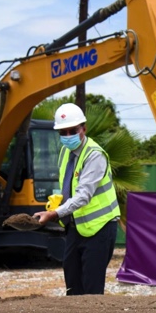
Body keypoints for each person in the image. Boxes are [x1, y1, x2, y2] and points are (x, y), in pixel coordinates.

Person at [34, 103, 119, 295]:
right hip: (76, 226)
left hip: (100, 227)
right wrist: (56, 207)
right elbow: (69, 185)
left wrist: (55, 213)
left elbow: (83, 196)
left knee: (91, 289)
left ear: (84, 129)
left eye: (72, 131)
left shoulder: (94, 155)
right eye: (62, 132)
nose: (67, 136)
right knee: (72, 285)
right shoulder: (66, 152)